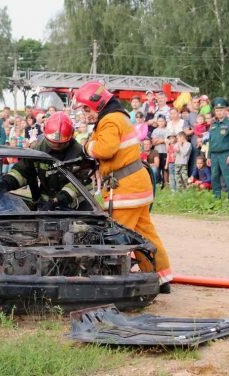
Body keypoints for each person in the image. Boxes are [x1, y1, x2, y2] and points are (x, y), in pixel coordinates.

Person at [74, 81, 172, 293]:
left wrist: (87, 146)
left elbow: (105, 149)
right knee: (146, 234)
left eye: (85, 108)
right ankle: (161, 278)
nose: (84, 113)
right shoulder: (118, 117)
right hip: (137, 184)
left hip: (126, 188)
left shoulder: (109, 121)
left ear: (97, 104)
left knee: (116, 236)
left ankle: (114, 283)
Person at [0, 112, 95, 210]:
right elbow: (24, 171)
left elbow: (83, 181)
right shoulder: (38, 148)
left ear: (71, 135)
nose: (56, 146)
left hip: (75, 205)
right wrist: (6, 182)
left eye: (60, 144)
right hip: (46, 201)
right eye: (52, 143)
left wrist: (58, 200)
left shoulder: (79, 154)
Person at [208, 97, 229, 200]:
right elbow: (210, 142)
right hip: (214, 155)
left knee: (228, 176)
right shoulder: (213, 125)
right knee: (214, 176)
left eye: (221, 110)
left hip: (225, 154)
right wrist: (208, 156)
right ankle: (216, 197)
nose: (219, 112)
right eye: (217, 110)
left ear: (226, 111)